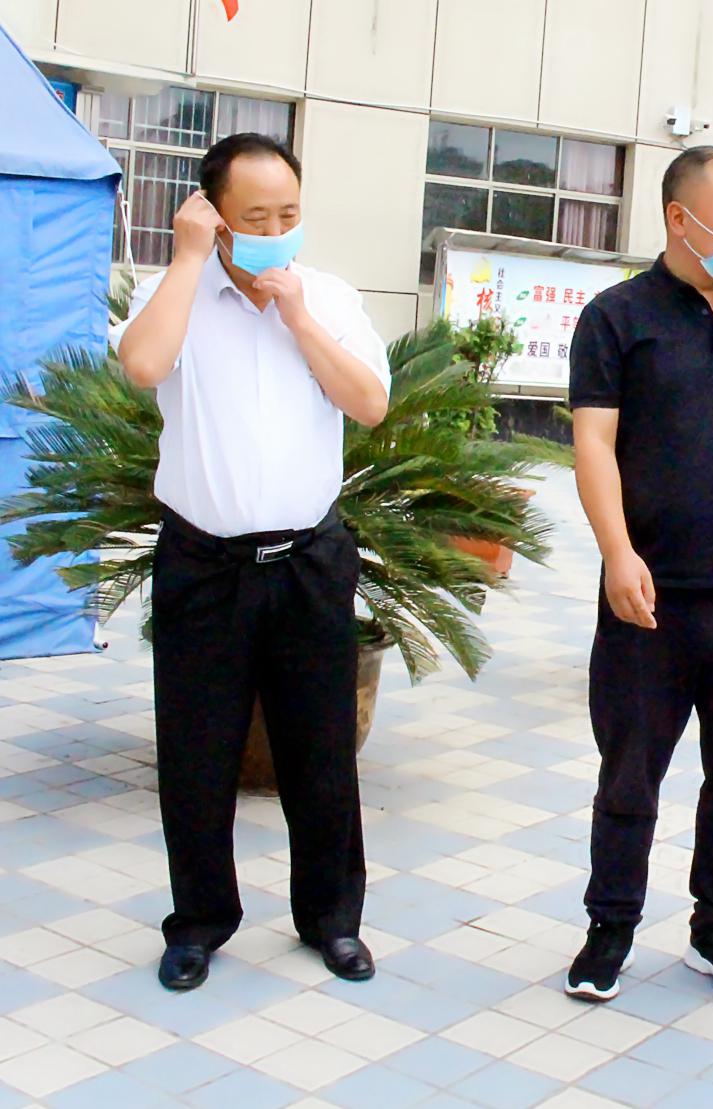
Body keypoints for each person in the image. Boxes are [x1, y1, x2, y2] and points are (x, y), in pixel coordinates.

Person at [111, 133, 391, 992]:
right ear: (213, 215)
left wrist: (298, 317)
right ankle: (198, 922)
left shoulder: (331, 298)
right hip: (204, 563)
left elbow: (370, 403)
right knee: (196, 751)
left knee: (321, 749)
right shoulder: (176, 292)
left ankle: (332, 920)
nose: (275, 231)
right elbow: (142, 365)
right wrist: (187, 259)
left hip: (310, 561)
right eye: (255, 217)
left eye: (288, 214)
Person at [564, 145, 713, 1003]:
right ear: (680, 217)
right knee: (629, 774)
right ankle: (609, 928)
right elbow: (593, 441)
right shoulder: (616, 316)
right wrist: (617, 552)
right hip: (651, 596)